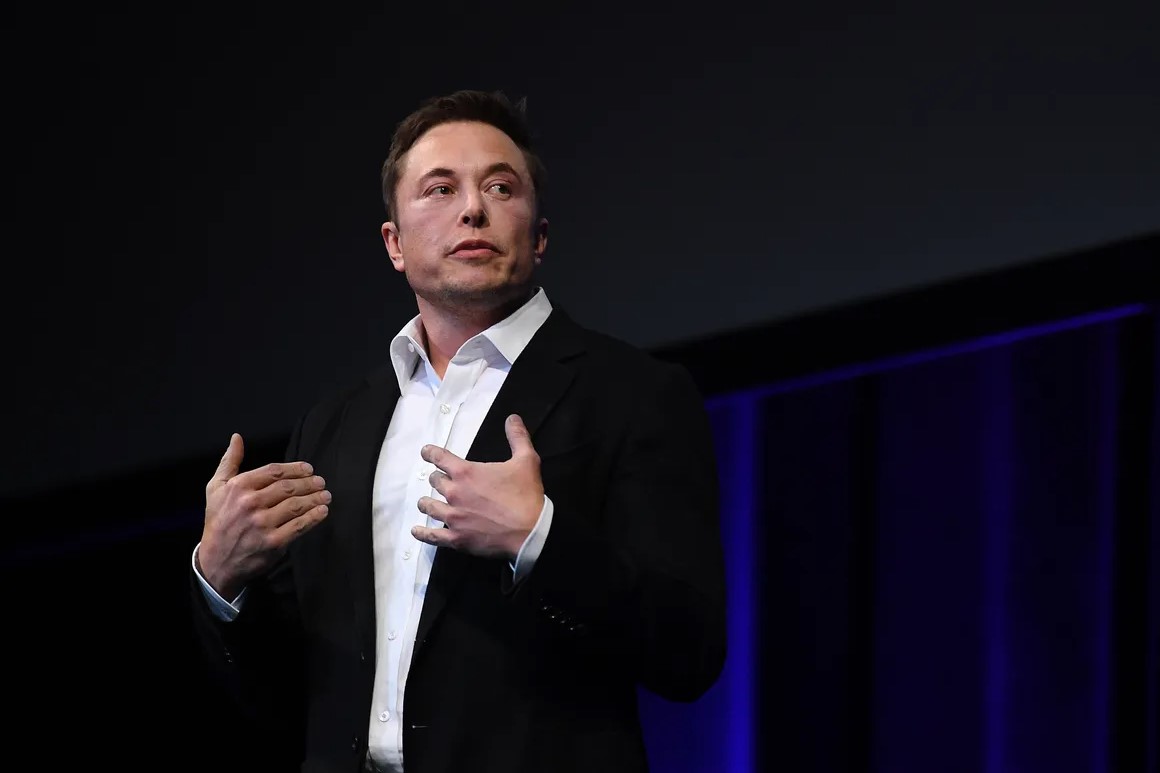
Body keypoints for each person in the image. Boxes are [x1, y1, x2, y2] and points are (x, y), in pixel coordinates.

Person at [190, 89, 726, 773]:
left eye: (500, 187)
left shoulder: (634, 394)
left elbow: (688, 650)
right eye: (439, 189)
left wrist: (539, 539)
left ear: (539, 235)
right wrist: (222, 578)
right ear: (394, 244)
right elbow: (286, 695)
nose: (472, 208)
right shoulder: (334, 425)